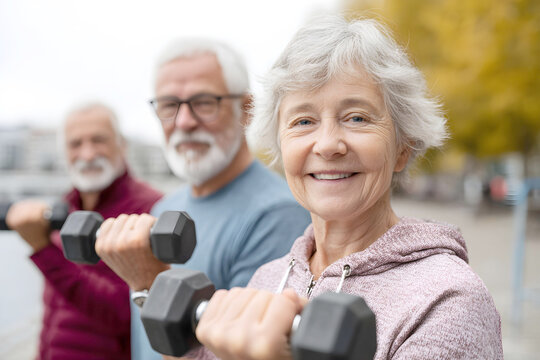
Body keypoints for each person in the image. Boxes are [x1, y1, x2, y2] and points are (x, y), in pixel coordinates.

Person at [189, 15, 504, 359]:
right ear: (280, 148)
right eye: (303, 121)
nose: (327, 145)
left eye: (357, 117)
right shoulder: (268, 277)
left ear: (403, 148)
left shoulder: (447, 299)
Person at [92, 38, 311, 359]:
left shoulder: (279, 214)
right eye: (169, 105)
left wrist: (151, 285)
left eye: (204, 101)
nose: (184, 122)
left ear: (246, 110)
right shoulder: (164, 207)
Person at [6, 103, 163, 360]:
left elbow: (127, 314)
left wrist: (44, 250)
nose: (87, 154)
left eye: (98, 140)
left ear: (122, 145)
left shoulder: (150, 210)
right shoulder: (66, 206)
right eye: (75, 144)